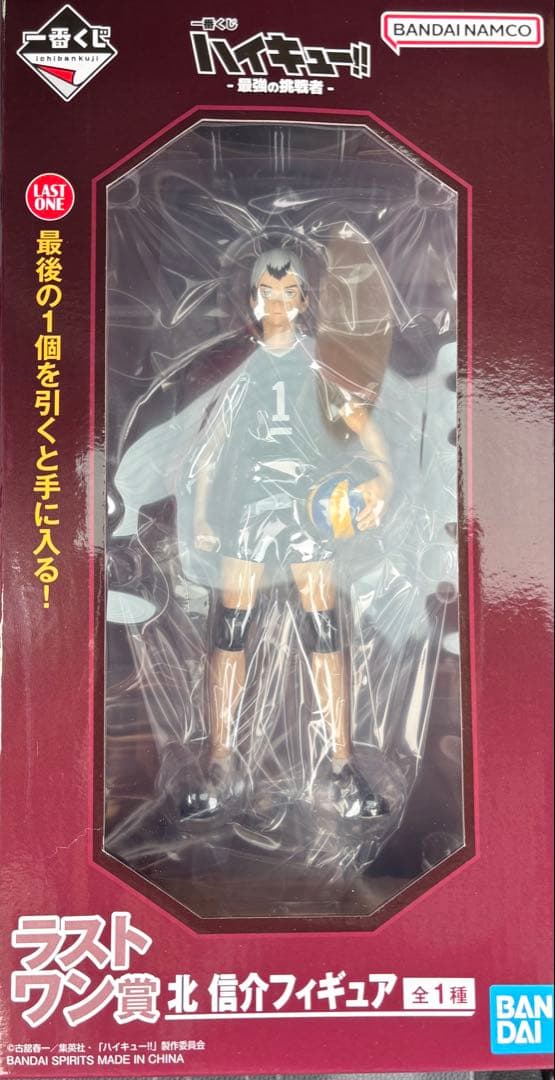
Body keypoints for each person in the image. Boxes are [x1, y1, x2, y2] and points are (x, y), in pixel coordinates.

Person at [182, 248, 393, 819]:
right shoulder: (239, 369)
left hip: (308, 507)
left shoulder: (318, 365)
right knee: (231, 627)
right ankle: (219, 759)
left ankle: (341, 763)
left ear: (304, 299)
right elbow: (210, 448)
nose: (277, 303)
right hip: (249, 508)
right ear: (252, 297)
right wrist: (201, 515)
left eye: (288, 292)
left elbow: (361, 423)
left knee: (325, 628)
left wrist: (383, 477)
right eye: (267, 293)